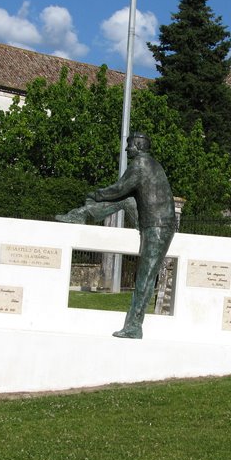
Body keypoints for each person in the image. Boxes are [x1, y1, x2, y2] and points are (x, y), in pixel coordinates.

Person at [55, 133, 176, 339]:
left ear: (137, 146)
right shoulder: (151, 164)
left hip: (158, 227)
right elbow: (124, 195)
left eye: (129, 146)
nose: (127, 149)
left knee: (145, 279)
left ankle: (134, 326)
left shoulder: (140, 165)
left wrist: (95, 194)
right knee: (127, 200)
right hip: (152, 222)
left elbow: (118, 189)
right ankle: (82, 214)